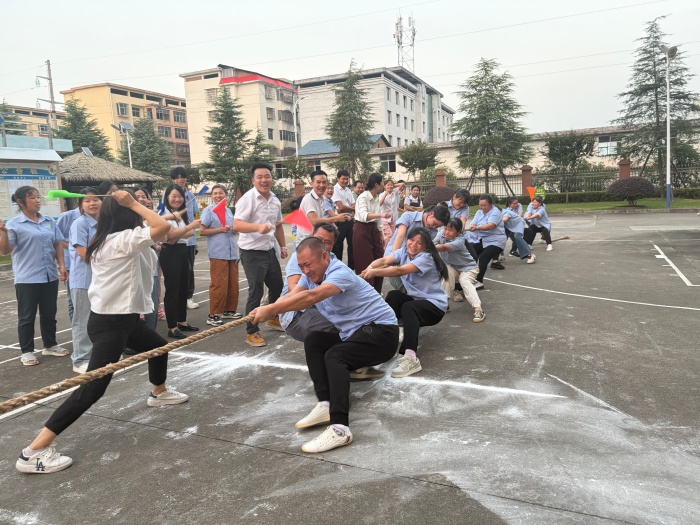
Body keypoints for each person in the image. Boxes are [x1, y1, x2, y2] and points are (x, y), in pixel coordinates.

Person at [15, 190, 189, 474]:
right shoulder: (121, 240)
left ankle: (158, 392)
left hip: (124, 320)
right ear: (126, 214)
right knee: (92, 389)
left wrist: (136, 206)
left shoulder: (114, 237)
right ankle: (33, 452)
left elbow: (157, 224)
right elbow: (161, 227)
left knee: (158, 348)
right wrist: (133, 202)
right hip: (111, 323)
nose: (141, 208)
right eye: (136, 208)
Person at [251, 237, 398, 453]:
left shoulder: (339, 273)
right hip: (355, 333)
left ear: (324, 256)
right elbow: (294, 295)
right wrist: (270, 307)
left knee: (335, 356)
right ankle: (325, 403)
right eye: (301, 266)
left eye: (308, 264)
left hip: (382, 333)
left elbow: (312, 297)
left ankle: (340, 428)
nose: (305, 271)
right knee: (315, 340)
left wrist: (271, 310)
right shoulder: (309, 276)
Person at [280, 223, 383, 381]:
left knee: (357, 319)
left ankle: (345, 361)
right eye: (319, 238)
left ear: (332, 245)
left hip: (315, 307)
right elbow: (293, 287)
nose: (322, 243)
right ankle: (347, 366)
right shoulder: (301, 256)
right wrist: (272, 309)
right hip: (296, 313)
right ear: (312, 237)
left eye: (327, 242)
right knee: (342, 325)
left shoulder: (332, 260)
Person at [361, 228, 448, 378]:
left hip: (435, 307)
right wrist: (371, 267)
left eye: (419, 243)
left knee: (409, 307)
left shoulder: (426, 258)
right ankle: (383, 339)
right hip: (416, 300)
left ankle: (411, 358)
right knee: (394, 296)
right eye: (411, 240)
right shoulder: (403, 252)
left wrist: (375, 272)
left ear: (425, 246)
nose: (414, 244)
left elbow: (400, 271)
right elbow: (384, 261)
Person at [0, 186, 68, 366]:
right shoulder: (14, 224)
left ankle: (50, 345)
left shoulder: (48, 221)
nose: (37, 201)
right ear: (20, 202)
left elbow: (58, 243)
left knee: (49, 313)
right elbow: (5, 250)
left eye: (38, 197)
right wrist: (3, 232)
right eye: (32, 198)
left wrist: (61, 266)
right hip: (27, 278)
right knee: (27, 316)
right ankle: (27, 351)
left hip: (49, 275)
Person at [233, 162, 288, 348]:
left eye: (267, 176)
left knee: (278, 286)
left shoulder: (274, 200)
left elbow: (278, 225)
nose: (264, 180)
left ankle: (272, 318)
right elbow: (237, 225)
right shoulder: (248, 199)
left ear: (272, 178)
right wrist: (257, 227)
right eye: (260, 177)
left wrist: (283, 246)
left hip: (269, 250)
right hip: (251, 252)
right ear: (253, 180)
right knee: (256, 291)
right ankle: (252, 330)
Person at [160, 184, 201, 339]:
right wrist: (184, 230)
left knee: (183, 287)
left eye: (180, 196)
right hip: (170, 252)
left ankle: (182, 321)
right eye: (174, 196)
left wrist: (179, 233)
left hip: (182, 250)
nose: (177, 199)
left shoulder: (181, 214)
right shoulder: (163, 214)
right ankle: (172, 327)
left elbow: (189, 233)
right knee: (173, 289)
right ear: (167, 197)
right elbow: (169, 237)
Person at [68, 187, 102, 373]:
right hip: (83, 280)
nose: (92, 203)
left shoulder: (104, 223)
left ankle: (98, 354)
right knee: (82, 320)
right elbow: (82, 253)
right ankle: (80, 358)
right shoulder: (79, 224)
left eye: (95, 199)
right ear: (81, 205)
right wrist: (107, 260)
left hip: (100, 280)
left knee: (99, 318)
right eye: (87, 200)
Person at [199, 184, 242, 326]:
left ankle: (229, 310)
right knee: (219, 284)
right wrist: (220, 229)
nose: (217, 196)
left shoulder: (228, 211)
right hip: (218, 252)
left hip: (231, 253)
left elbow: (233, 229)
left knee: (232, 283)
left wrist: (234, 229)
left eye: (220, 193)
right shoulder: (209, 211)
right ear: (212, 196)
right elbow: (202, 231)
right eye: (215, 193)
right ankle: (214, 314)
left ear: (226, 196)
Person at [384, 205, 450, 290]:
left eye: (437, 226)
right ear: (431, 213)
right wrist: (394, 259)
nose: (433, 227)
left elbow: (422, 249)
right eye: (434, 223)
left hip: (411, 263)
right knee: (401, 286)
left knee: (409, 289)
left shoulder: (432, 232)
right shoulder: (409, 216)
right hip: (395, 255)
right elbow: (400, 236)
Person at [434, 219, 485, 322]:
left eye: (450, 230)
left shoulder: (460, 241)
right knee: (446, 273)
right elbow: (433, 242)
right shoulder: (441, 234)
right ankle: (444, 304)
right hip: (452, 266)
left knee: (464, 281)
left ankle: (478, 309)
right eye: (445, 228)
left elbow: (443, 247)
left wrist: (426, 247)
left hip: (469, 268)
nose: (446, 232)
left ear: (458, 232)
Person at [352, 173, 391, 293]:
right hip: (362, 229)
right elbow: (364, 216)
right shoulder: (363, 197)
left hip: (373, 228)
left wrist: (381, 234)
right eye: (382, 182)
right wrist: (381, 214)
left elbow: (378, 220)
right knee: (365, 261)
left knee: (379, 259)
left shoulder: (376, 197)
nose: (384, 185)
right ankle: (366, 293)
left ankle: (377, 291)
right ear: (376, 184)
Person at [170, 167, 200, 309]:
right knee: (176, 271)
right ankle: (177, 297)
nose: (180, 179)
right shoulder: (169, 195)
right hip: (175, 238)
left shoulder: (191, 196)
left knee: (189, 270)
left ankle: (188, 297)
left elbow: (195, 215)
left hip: (190, 240)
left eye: (182, 177)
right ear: (172, 180)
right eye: (177, 177)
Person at [133, 187, 162, 330]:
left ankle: (150, 334)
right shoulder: (127, 220)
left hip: (150, 270)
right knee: (133, 308)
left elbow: (164, 234)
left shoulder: (150, 218)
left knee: (152, 305)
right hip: (133, 271)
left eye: (143, 196)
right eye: (137, 197)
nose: (141, 199)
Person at [297, 170, 352, 245]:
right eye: (318, 182)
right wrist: (336, 218)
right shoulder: (309, 199)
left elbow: (322, 218)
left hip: (316, 239)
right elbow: (314, 221)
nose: (322, 185)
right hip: (307, 242)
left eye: (324, 182)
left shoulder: (322, 198)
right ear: (312, 183)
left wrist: (339, 219)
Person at [468, 194, 507, 288]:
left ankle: (479, 281)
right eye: (480, 205)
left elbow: (491, 226)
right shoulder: (479, 212)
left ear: (490, 204)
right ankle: (469, 277)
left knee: (484, 257)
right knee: (471, 252)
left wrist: (477, 228)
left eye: (484, 205)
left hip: (496, 240)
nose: (482, 207)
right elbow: (473, 223)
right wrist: (473, 226)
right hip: (483, 239)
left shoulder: (496, 212)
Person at [56, 206, 81, 322]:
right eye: (87, 200)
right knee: (73, 299)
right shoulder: (67, 216)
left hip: (87, 263)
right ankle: (75, 328)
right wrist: (76, 247)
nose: (92, 203)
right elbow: (57, 238)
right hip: (71, 264)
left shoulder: (95, 216)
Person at [331, 170, 356, 269]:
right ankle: (338, 268)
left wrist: (347, 208)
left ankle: (351, 268)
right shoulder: (334, 189)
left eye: (347, 179)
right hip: (339, 220)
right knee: (338, 246)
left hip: (349, 220)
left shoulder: (348, 190)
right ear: (338, 179)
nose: (345, 181)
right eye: (343, 179)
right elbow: (340, 206)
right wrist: (352, 209)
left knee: (352, 245)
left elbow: (353, 204)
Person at [502, 197, 536, 264]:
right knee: (502, 237)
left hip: (518, 223)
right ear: (509, 204)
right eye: (514, 204)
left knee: (517, 236)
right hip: (509, 225)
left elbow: (519, 215)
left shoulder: (509, 210)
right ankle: (499, 255)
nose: (515, 205)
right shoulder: (507, 209)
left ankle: (530, 254)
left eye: (516, 203)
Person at [379, 179, 401, 247]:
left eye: (391, 185)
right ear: (384, 186)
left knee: (393, 235)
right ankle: (386, 249)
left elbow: (402, 184)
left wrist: (393, 186)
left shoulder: (394, 193)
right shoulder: (381, 195)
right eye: (388, 185)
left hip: (392, 218)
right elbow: (379, 204)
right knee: (389, 235)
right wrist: (385, 195)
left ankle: (391, 249)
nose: (390, 186)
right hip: (384, 219)